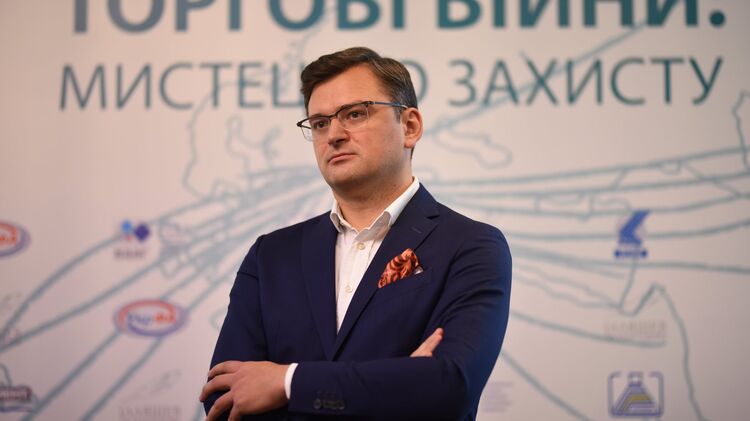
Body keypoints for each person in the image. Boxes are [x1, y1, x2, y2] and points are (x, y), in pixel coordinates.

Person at [200, 47, 512, 420]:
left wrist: (287, 383)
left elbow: (448, 386)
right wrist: (399, 384)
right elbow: (224, 398)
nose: (333, 134)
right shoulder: (271, 255)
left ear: (409, 126)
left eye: (355, 114)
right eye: (319, 123)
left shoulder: (470, 246)